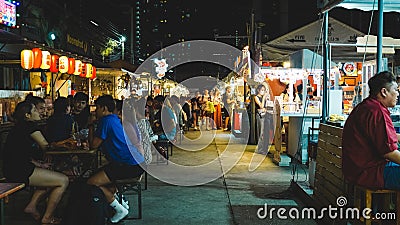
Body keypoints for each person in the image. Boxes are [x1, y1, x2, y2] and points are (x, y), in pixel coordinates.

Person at [3, 101, 69, 224]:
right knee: (63, 180)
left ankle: (31, 206)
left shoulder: (19, 127)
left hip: (12, 168)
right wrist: (65, 144)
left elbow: (20, 152)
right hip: (20, 171)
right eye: (36, 110)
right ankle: (48, 218)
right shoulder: (30, 126)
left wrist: (40, 164)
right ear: (28, 115)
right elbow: (46, 147)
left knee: (50, 173)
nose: (40, 112)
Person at [87, 95, 145, 223]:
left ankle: (120, 209)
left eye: (97, 107)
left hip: (127, 165)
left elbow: (93, 145)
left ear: (104, 108)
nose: (95, 111)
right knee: (104, 180)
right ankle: (121, 203)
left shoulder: (106, 121)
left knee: (92, 181)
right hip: (136, 163)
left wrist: (90, 125)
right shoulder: (113, 119)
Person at [342, 71, 400, 190]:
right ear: (384, 92)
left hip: (357, 169)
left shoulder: (367, 106)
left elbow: (385, 137)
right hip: (370, 173)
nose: (398, 94)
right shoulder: (377, 112)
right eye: (395, 90)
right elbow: (389, 152)